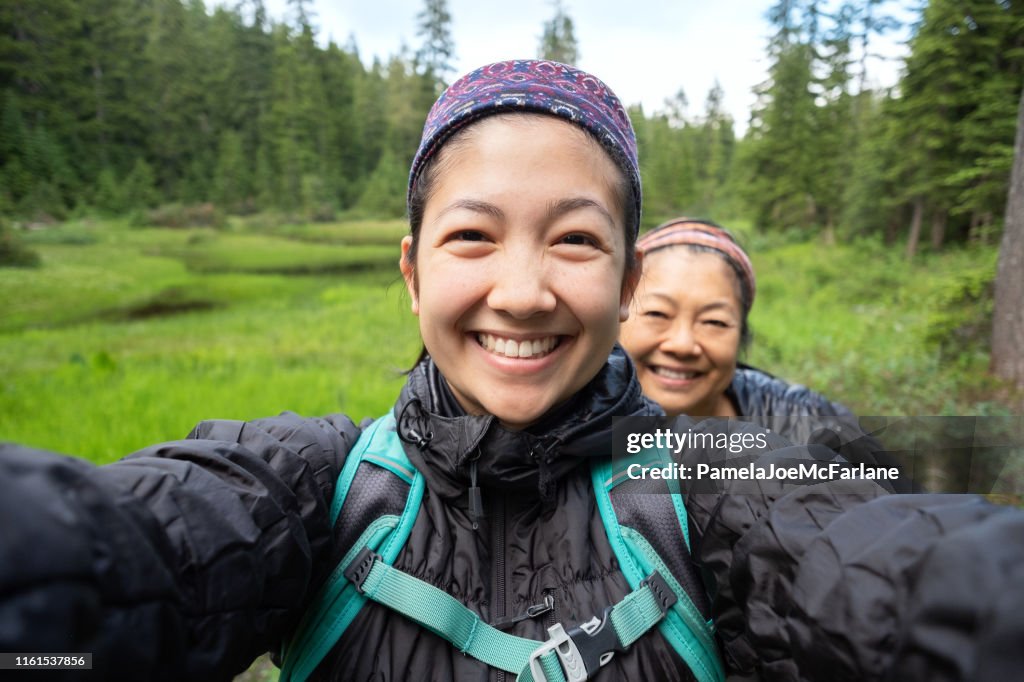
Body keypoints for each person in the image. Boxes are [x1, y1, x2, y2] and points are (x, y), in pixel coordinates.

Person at [0, 60, 1021, 682]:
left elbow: (893, 573)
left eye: (575, 240)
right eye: (473, 236)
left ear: (624, 281)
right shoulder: (313, 487)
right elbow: (118, 562)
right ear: (413, 272)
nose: (524, 291)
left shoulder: (716, 479)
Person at [620, 218, 874, 449]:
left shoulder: (815, 428)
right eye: (657, 314)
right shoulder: (593, 433)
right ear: (616, 316)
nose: (682, 345)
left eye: (714, 322)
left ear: (741, 333)